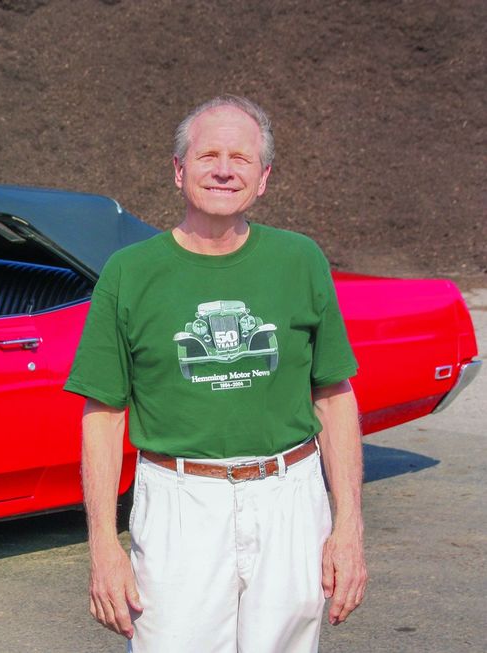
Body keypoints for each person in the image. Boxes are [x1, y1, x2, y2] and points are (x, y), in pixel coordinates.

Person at [63, 95, 367, 652]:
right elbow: (103, 414)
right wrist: (103, 546)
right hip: (180, 502)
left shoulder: (300, 260)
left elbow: (333, 395)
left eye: (241, 158)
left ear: (263, 178)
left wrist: (348, 526)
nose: (224, 170)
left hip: (289, 498)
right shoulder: (131, 273)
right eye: (208, 156)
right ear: (179, 171)